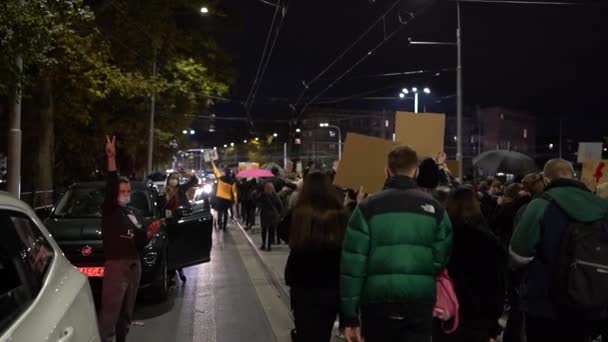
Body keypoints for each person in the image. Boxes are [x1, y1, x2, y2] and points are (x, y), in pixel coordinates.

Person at [340, 145, 453, 342]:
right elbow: (441, 255)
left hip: (377, 302)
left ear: (387, 171)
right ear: (416, 171)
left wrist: (349, 316)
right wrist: (420, 270)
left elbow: (353, 265)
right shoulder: (435, 209)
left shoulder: (367, 207)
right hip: (419, 300)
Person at [510, 159, 608, 342]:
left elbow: (518, 255)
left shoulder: (540, 205)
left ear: (546, 180)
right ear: (574, 176)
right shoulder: (600, 206)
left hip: (544, 303)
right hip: (587, 298)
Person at [98, 136, 162, 342]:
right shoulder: (110, 210)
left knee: (126, 313)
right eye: (121, 191)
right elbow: (110, 183)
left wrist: (149, 234)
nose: (124, 194)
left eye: (127, 191)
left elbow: (140, 242)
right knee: (111, 312)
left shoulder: (134, 213)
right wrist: (111, 157)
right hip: (117, 266)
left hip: (134, 265)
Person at [435, 186, 508, 342]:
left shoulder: (441, 238)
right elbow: (497, 285)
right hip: (479, 317)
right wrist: (493, 325)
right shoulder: (489, 242)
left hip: (445, 313)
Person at [284, 171, 349, 341]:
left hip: (302, 286)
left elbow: (282, 230)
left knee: (306, 333)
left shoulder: (298, 214)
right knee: (323, 333)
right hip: (331, 286)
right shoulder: (340, 215)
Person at [161, 171, 198, 284]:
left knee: (177, 248)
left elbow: (195, 181)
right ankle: (172, 272)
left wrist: (190, 175)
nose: (174, 180)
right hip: (168, 224)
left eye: (176, 178)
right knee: (170, 248)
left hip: (179, 223)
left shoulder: (181, 189)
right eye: (172, 178)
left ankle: (179, 269)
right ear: (168, 179)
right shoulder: (164, 193)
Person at [212, 162, 238, 231]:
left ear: (225, 172)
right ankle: (224, 227)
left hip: (219, 197)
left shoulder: (221, 178)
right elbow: (234, 192)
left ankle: (219, 223)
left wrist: (213, 164)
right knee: (225, 212)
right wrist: (235, 200)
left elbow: (216, 171)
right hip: (227, 199)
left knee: (219, 211)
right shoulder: (232, 181)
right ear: (230, 173)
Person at [258, 182, 282, 251]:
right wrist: (280, 213)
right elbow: (280, 205)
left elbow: (257, 201)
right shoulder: (275, 195)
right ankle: (269, 246)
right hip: (273, 215)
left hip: (264, 214)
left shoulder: (263, 195)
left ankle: (263, 244)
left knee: (264, 230)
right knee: (271, 230)